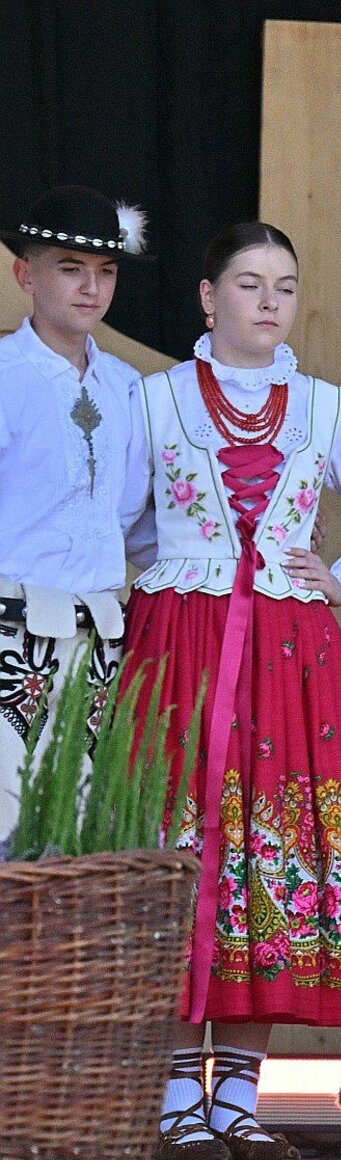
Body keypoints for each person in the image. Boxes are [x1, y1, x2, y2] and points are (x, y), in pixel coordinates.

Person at [123, 221, 341, 1160]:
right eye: (249, 283)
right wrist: (182, 565)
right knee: (184, 852)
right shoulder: (155, 398)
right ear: (209, 297)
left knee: (268, 859)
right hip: (183, 647)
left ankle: (238, 1102)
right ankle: (177, 1100)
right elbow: (121, 521)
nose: (269, 301)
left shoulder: (328, 408)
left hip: (290, 658)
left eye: (284, 285)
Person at [0, 188, 151, 852]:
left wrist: (261, 535)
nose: (92, 287)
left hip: (99, 641)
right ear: (25, 273)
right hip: (10, 632)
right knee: (8, 832)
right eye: (70, 267)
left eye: (106, 270)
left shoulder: (126, 386)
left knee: (81, 840)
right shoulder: (5, 375)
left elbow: (135, 520)